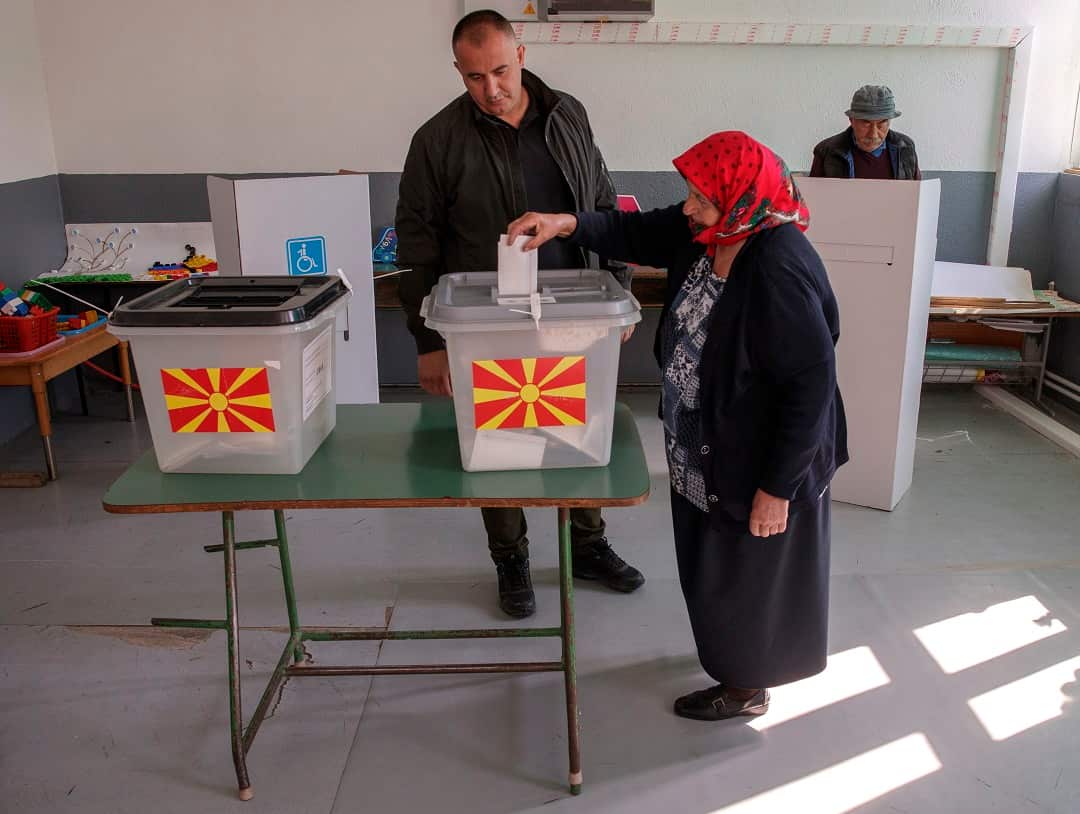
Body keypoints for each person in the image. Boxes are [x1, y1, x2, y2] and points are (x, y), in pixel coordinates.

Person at [506, 131, 848, 720]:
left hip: (759, 462)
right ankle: (729, 660)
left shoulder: (777, 267)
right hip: (709, 450)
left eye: (700, 198)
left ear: (741, 197)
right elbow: (638, 231)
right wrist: (566, 223)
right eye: (690, 195)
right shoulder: (712, 232)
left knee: (746, 580)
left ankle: (745, 689)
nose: (689, 207)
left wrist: (777, 489)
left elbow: (809, 387)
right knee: (712, 569)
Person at [395, 9, 645, 619]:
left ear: (522, 55)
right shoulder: (437, 141)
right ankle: (510, 559)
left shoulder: (568, 115)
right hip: (487, 321)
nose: (491, 88)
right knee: (498, 436)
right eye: (474, 77)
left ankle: (587, 544)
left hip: (576, 310)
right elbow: (416, 243)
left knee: (578, 428)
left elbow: (601, 200)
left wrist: (617, 286)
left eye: (500, 71)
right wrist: (427, 340)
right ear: (458, 71)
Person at [810, 85, 921, 179]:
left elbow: (916, 197)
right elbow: (811, 201)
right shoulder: (826, 152)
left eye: (881, 124)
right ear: (851, 121)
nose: (873, 134)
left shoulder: (905, 147)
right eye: (866, 123)